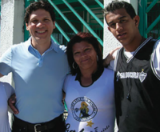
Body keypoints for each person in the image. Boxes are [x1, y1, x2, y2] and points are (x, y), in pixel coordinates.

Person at [0, 1, 69, 132]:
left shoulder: (65, 54)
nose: (40, 25)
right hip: (21, 128)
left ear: (53, 24)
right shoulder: (14, 52)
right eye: (34, 21)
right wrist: (5, 96)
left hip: (55, 127)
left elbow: (85, 75)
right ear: (27, 26)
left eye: (46, 19)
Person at [104, 1, 160, 132]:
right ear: (109, 30)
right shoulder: (115, 58)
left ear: (135, 20)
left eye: (122, 20)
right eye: (112, 24)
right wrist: (103, 62)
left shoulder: (156, 51)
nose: (118, 27)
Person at [64, 33, 115, 132]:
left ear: (97, 50)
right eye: (77, 53)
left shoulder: (112, 77)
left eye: (87, 50)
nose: (83, 55)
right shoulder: (68, 80)